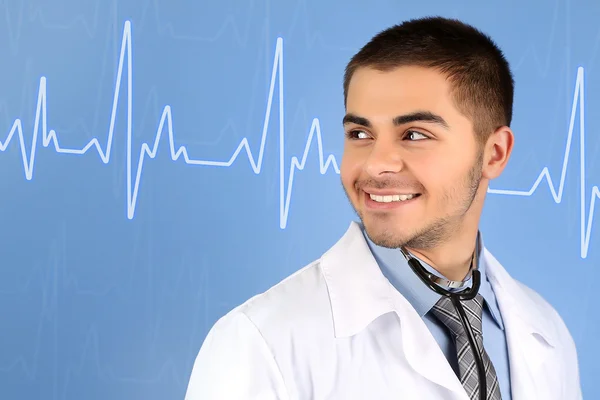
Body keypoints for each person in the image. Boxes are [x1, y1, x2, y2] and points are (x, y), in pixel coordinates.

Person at [184, 16, 582, 400]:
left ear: (494, 154)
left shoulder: (545, 331)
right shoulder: (260, 344)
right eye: (360, 133)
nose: (375, 164)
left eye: (414, 134)